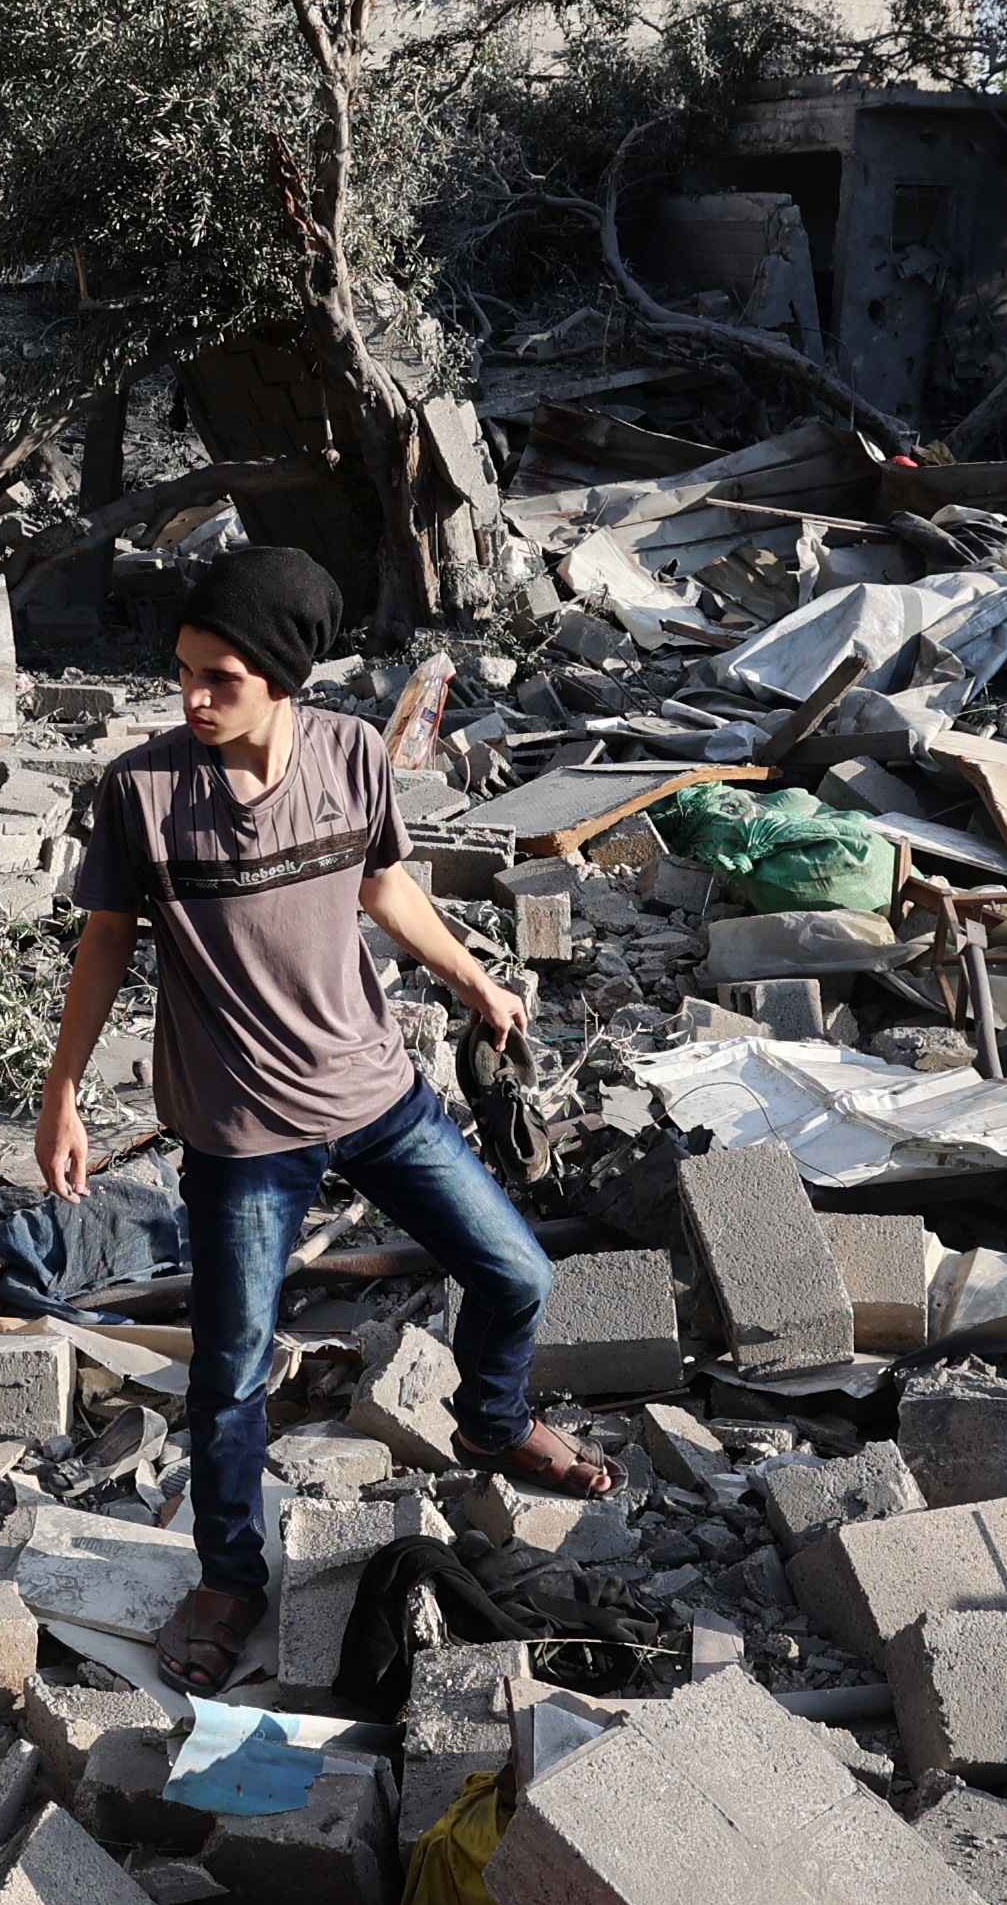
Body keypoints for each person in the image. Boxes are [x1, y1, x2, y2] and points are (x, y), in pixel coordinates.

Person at [37, 547, 614, 1696]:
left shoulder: (351, 754)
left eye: (220, 679)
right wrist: (59, 1095)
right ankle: (229, 1578)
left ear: (284, 676)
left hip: (376, 1096)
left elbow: (381, 885)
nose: (192, 699)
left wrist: (471, 980)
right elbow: (104, 945)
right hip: (240, 1134)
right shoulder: (144, 792)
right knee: (230, 1378)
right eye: (183, 674)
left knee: (514, 1276)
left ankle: (492, 1423)